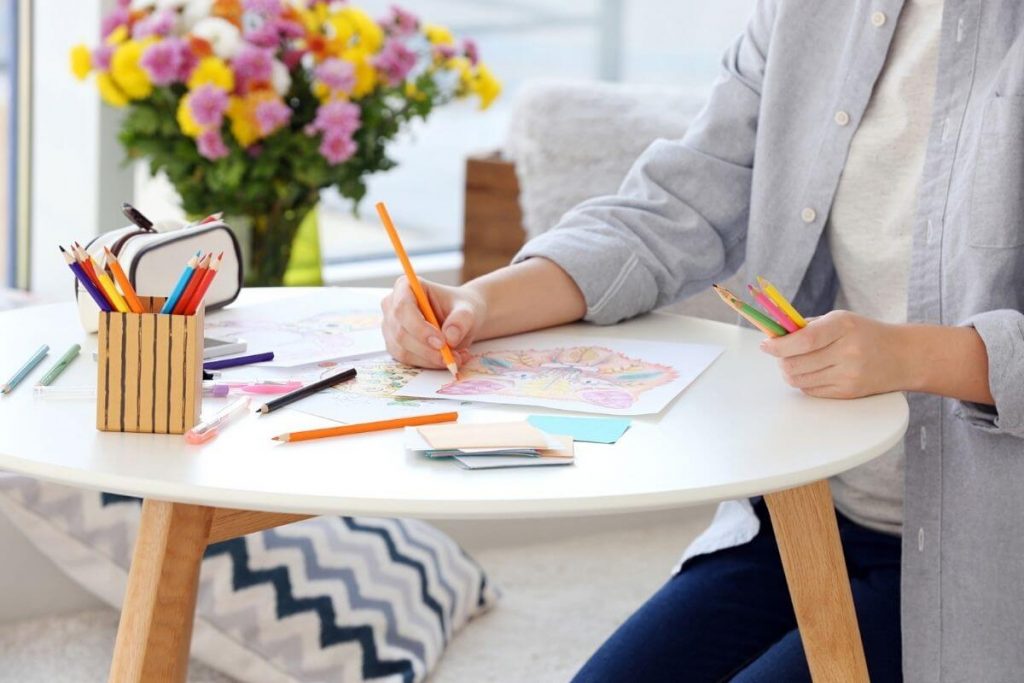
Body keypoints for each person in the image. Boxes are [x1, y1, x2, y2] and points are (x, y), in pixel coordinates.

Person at [381, 0, 1024, 679]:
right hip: (799, 510)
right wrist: (478, 303)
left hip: (984, 555)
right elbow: (679, 206)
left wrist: (916, 355)